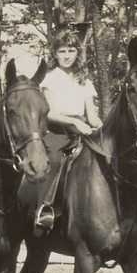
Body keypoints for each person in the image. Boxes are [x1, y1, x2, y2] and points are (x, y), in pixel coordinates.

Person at [33, 27, 102, 232]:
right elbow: (50, 113)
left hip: (82, 131)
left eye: (71, 51)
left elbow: (91, 116)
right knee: (53, 160)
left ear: (77, 53)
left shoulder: (85, 81)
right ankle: (44, 208)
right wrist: (74, 123)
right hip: (57, 131)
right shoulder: (50, 78)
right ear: (54, 53)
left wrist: (104, 128)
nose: (66, 56)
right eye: (62, 51)